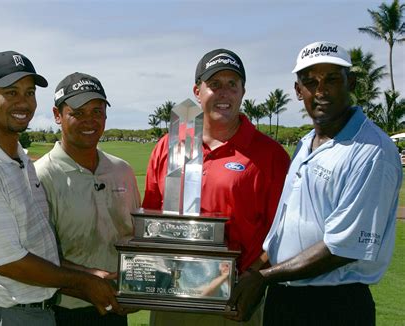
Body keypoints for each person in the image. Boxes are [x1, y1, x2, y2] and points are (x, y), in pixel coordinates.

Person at [227, 41, 402, 326]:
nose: (321, 90)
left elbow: (342, 248)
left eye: (332, 79)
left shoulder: (373, 151)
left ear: (351, 82)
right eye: (310, 82)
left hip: (335, 305)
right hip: (287, 299)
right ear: (298, 91)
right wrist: (253, 273)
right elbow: (287, 230)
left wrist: (263, 278)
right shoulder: (306, 143)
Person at [0, 51, 122, 325]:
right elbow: (9, 261)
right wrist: (85, 282)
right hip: (7, 314)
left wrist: (89, 275)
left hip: (33, 312)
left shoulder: (18, 159)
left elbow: (40, 250)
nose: (23, 103)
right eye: (11, 92)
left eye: (29, 93)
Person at [143, 48, 290, 326]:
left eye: (232, 85)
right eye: (214, 84)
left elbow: (282, 232)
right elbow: (151, 220)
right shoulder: (170, 144)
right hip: (171, 297)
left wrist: (253, 277)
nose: (224, 93)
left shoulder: (270, 155)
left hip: (232, 301)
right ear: (197, 91)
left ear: (243, 91)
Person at [35, 72, 140, 325]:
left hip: (118, 307)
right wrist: (88, 284)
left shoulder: (122, 171)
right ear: (57, 115)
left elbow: (137, 240)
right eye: (78, 112)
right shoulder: (41, 176)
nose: (89, 120)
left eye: (97, 111)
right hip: (66, 311)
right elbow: (38, 259)